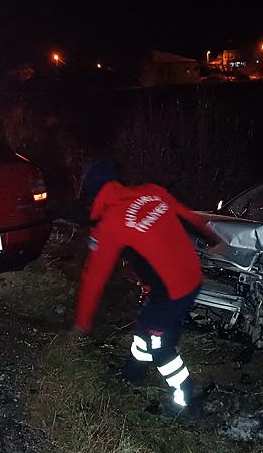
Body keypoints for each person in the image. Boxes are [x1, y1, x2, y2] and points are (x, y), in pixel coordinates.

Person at [75, 161, 221, 418]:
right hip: (190, 278)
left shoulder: (110, 223)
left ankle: (186, 402)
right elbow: (188, 215)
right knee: (145, 326)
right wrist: (214, 238)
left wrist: (83, 322)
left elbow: (94, 278)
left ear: (92, 192)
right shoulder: (151, 192)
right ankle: (134, 374)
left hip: (172, 291)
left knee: (159, 344)